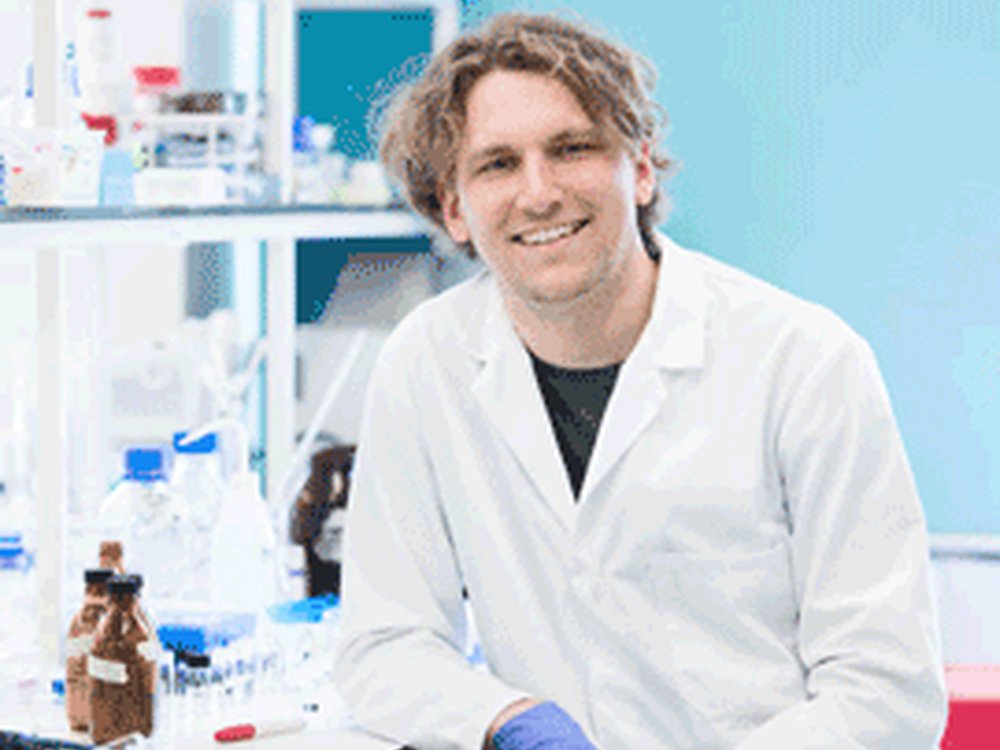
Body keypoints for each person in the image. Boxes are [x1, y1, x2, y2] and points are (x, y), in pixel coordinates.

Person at [333, 11, 947, 750]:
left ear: (642, 167)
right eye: (498, 164)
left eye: (573, 149)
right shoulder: (425, 362)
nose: (539, 193)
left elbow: (888, 691)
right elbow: (384, 645)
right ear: (454, 209)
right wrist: (504, 720)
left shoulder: (804, 362)